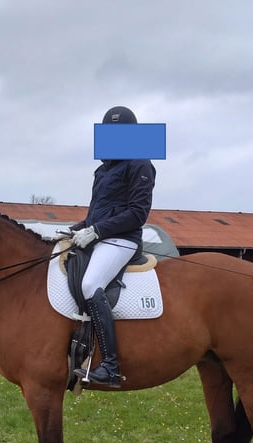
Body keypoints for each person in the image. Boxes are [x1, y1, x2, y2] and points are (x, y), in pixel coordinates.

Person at [69, 105, 156, 387]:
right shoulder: (102, 170)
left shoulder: (141, 163)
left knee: (90, 284)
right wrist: (81, 226)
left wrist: (96, 230)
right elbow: (99, 210)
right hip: (99, 235)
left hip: (122, 240)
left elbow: (136, 213)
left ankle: (110, 366)